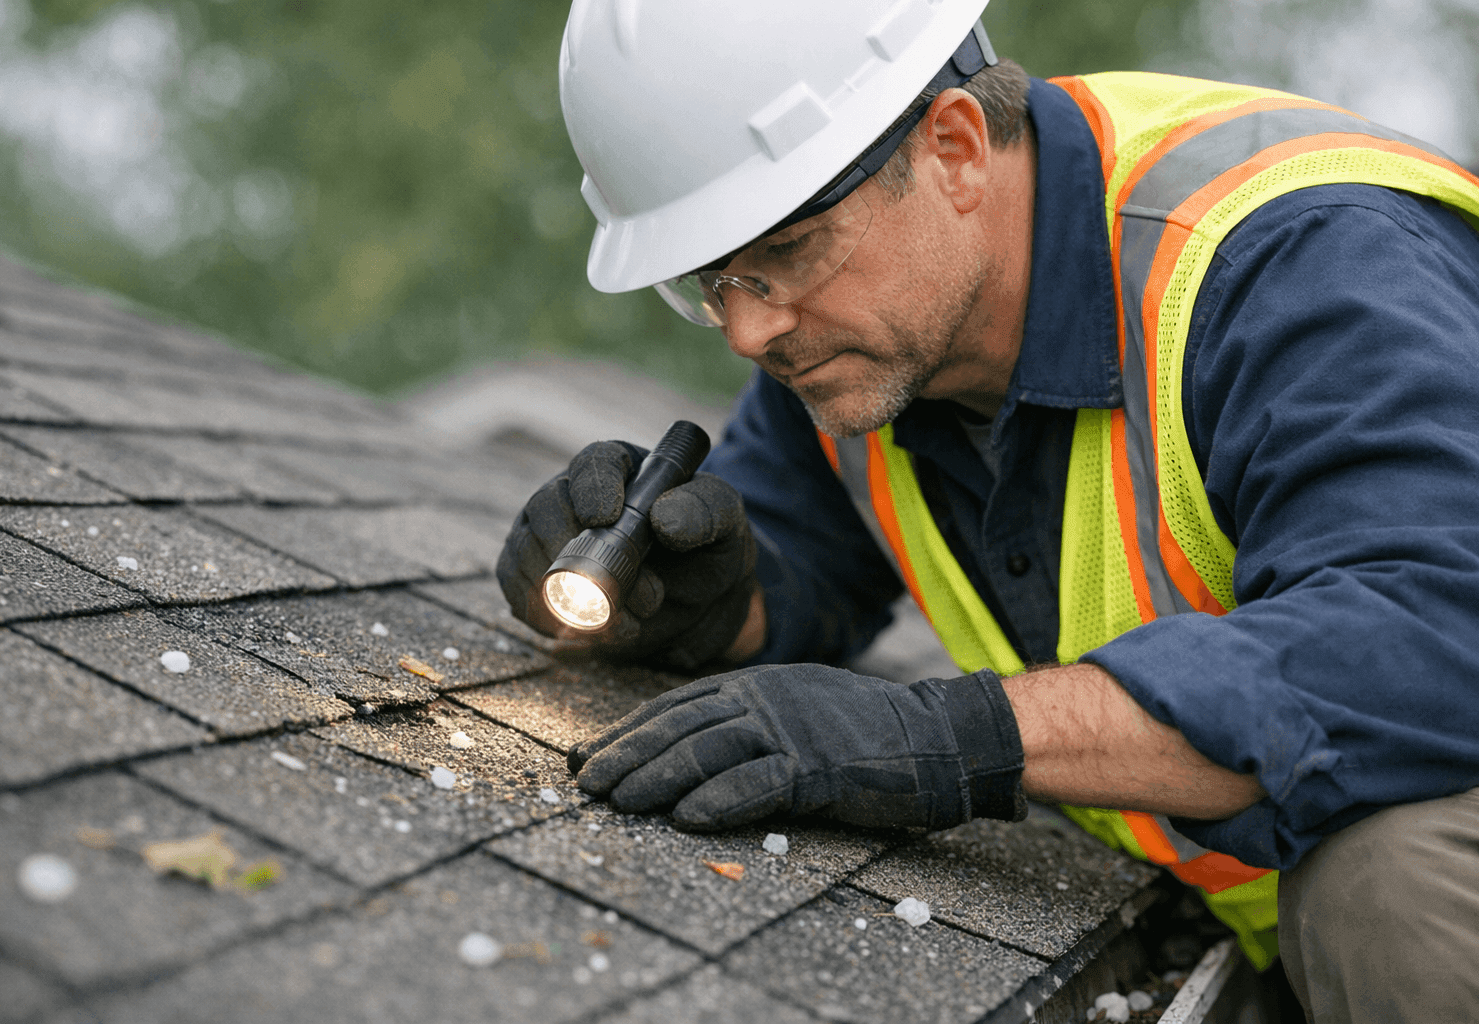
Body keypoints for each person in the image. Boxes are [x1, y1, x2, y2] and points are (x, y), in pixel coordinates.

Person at [496, 2, 1479, 1019]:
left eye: (784, 251)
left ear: (957, 148)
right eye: (711, 277)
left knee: (1385, 886)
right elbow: (801, 556)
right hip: (1277, 931)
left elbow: (1428, 634)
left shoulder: (1296, 266)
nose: (747, 328)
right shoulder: (877, 338)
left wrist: (954, 738)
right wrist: (685, 594)